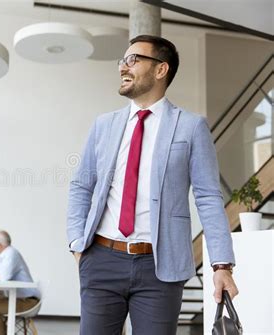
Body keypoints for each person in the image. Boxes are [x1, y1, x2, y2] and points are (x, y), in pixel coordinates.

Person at [67, 35, 239, 335]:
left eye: (133, 59)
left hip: (160, 269)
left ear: (161, 70)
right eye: (123, 60)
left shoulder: (190, 126)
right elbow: (82, 185)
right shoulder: (104, 125)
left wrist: (221, 265)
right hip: (101, 259)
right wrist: (76, 244)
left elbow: (209, 197)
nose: (124, 66)